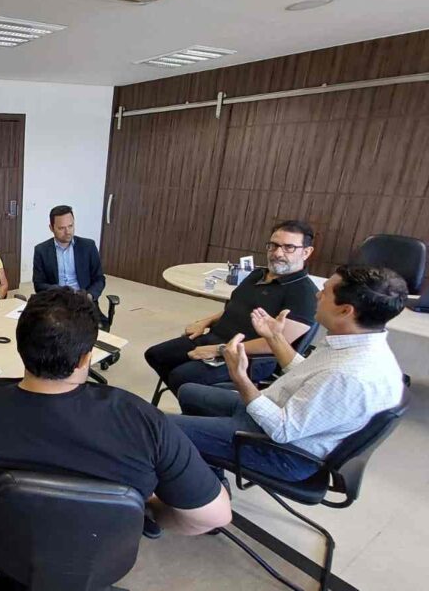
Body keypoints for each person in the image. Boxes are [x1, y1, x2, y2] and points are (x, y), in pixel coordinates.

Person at [0, 287, 231, 539]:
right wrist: (150, 510)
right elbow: (214, 516)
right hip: (99, 552)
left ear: (20, 348)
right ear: (86, 358)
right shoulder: (142, 419)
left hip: (0, 540)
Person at [168, 265, 408, 482]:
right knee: (189, 392)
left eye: (324, 292)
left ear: (346, 310)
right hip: (275, 413)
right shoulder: (355, 344)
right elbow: (308, 374)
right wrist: (274, 338)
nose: (317, 295)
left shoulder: (350, 375)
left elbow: (281, 430)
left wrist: (239, 376)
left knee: (160, 427)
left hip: (282, 451)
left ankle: (199, 491)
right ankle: (203, 467)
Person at [145, 220, 319, 392]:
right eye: (273, 245)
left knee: (181, 376)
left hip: (251, 357)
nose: (278, 253)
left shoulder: (305, 294)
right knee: (156, 355)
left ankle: (199, 408)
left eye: (289, 247)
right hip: (217, 338)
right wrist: (204, 322)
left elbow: (275, 343)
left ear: (306, 252)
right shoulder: (258, 274)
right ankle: (196, 402)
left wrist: (219, 350)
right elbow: (237, 307)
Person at [32, 205, 106, 301]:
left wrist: (90, 295)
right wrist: (59, 292)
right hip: (56, 300)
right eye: (61, 228)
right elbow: (39, 284)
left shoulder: (88, 246)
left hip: (84, 300)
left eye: (70, 226)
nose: (68, 232)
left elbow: (99, 279)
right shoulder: (41, 250)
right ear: (51, 228)